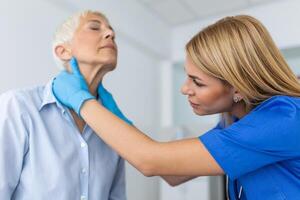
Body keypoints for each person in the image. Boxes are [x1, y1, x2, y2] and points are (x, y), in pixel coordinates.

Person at [52, 15, 300, 199]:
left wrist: (82, 100)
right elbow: (173, 174)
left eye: (197, 82)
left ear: (238, 88)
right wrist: (114, 113)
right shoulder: (236, 121)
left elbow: (149, 161)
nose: (185, 89)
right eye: (187, 76)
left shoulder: (284, 119)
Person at [0, 10, 130, 200]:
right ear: (63, 51)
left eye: (112, 33)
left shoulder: (116, 128)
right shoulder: (19, 107)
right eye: (95, 27)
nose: (110, 34)